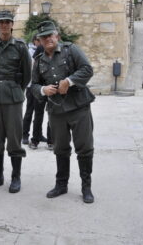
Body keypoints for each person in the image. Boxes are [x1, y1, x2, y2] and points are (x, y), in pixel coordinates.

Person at [31, 21, 96, 203]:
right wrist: (44, 90)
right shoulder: (38, 61)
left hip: (78, 106)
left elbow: (87, 70)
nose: (48, 39)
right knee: (60, 148)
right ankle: (61, 184)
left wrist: (70, 81)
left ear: (57, 36)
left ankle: (86, 187)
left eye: (51, 35)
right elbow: (34, 85)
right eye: (44, 37)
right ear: (40, 41)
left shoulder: (70, 50)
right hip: (56, 109)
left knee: (84, 147)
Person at [0, 10, 32, 193]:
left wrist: (16, 89)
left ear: (12, 24)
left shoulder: (19, 46)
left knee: (14, 139)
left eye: (7, 22)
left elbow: (27, 73)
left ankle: (16, 178)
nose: (4, 25)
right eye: (1, 22)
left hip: (13, 98)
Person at [22, 36, 50, 149]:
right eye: (38, 40)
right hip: (32, 87)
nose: (40, 42)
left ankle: (39, 135)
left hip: (43, 86)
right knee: (30, 111)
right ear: (35, 41)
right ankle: (25, 135)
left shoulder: (44, 48)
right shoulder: (31, 51)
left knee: (40, 112)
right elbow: (29, 68)